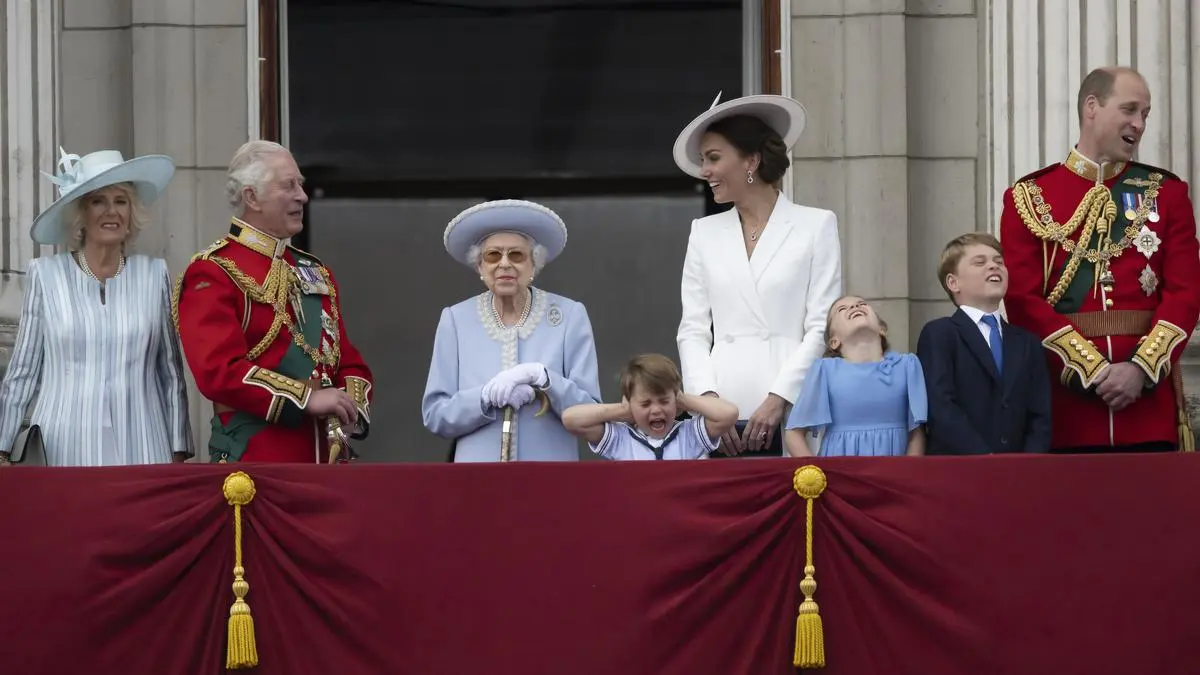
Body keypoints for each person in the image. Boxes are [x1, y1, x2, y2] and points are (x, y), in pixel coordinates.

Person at [999, 66, 1200, 453]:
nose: (1139, 124)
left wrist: (1141, 369)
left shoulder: (1166, 193)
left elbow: (1186, 293)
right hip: (1066, 411)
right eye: (1129, 110)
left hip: (1147, 410)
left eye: (1145, 114)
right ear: (1092, 106)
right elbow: (1023, 301)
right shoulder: (1029, 196)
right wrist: (1090, 369)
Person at [173, 140, 373, 463]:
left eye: (301, 185)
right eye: (289, 185)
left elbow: (349, 362)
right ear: (252, 197)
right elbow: (218, 372)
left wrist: (348, 408)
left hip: (328, 464)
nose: (302, 196)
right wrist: (306, 399)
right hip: (257, 467)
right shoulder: (213, 271)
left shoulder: (314, 270)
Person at [673, 93, 842, 457]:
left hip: (794, 402)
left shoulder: (816, 225)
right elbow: (693, 328)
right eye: (704, 160)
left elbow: (820, 326)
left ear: (751, 160)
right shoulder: (703, 232)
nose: (705, 171)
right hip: (721, 405)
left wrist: (779, 397)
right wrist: (707, 402)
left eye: (714, 158)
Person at [0, 148, 193, 466]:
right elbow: (23, 371)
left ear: (132, 213)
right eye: (98, 201)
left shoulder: (153, 274)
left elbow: (169, 372)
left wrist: (177, 447)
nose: (111, 211)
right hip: (64, 445)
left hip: (144, 445)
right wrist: (3, 448)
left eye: (121, 201)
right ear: (80, 213)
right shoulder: (46, 275)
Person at [422, 199, 602, 462]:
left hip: (551, 477)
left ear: (534, 265)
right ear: (480, 267)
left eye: (516, 255)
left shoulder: (569, 316)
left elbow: (591, 413)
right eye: (493, 255)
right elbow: (435, 415)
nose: (504, 264)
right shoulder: (455, 319)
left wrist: (545, 379)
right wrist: (483, 397)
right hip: (477, 480)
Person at [917, 233, 1052, 455]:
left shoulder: (1027, 342)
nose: (993, 266)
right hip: (961, 470)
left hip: (1019, 473)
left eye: (999, 262)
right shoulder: (940, 334)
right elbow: (941, 407)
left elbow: (1040, 415)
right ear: (953, 282)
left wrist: (1029, 463)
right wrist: (984, 458)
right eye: (980, 262)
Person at [783, 296, 927, 457]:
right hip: (840, 472)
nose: (854, 307)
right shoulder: (824, 370)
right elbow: (794, 434)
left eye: (862, 304)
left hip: (894, 472)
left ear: (882, 329)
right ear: (834, 341)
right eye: (842, 309)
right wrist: (815, 474)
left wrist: (908, 475)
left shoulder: (907, 366)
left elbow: (917, 432)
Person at [562, 353, 738, 460]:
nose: (656, 410)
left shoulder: (688, 435)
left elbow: (728, 414)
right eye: (645, 404)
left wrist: (684, 400)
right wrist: (623, 411)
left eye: (664, 401)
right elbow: (571, 419)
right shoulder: (621, 440)